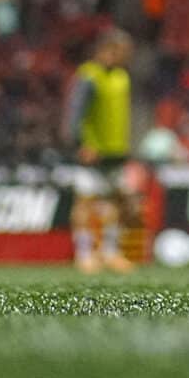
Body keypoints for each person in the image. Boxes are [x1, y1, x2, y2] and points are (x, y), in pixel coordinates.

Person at [65, 30, 138, 273]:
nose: (126, 56)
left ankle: (110, 252)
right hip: (92, 150)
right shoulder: (89, 76)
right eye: (122, 51)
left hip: (116, 151)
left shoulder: (121, 77)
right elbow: (74, 112)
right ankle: (84, 253)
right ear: (107, 49)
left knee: (118, 203)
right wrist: (79, 143)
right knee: (85, 202)